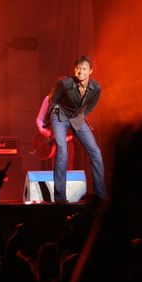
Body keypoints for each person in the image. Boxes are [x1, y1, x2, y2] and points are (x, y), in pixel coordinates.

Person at [37, 56, 106, 204]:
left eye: (84, 68)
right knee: (62, 150)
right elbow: (53, 100)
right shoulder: (65, 83)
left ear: (90, 71)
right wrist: (54, 115)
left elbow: (91, 105)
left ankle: (100, 194)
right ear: (75, 70)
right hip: (60, 116)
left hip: (77, 118)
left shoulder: (96, 88)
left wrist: (80, 116)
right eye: (78, 68)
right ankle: (60, 197)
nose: (81, 71)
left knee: (95, 151)